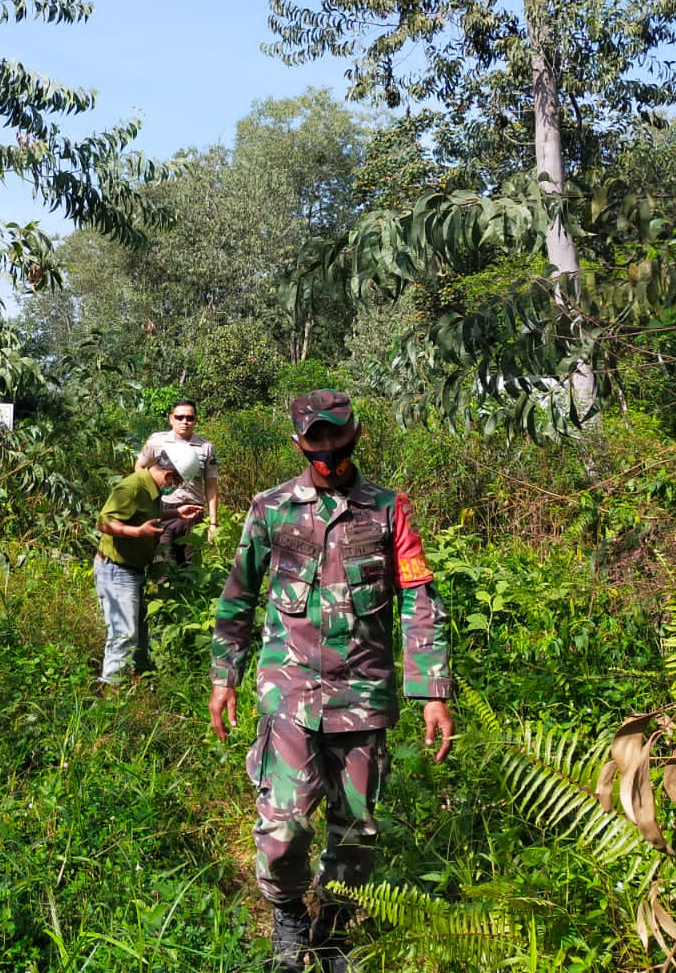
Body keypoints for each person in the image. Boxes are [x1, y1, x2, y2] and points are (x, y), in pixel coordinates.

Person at [207, 390, 455, 973]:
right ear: (299, 444)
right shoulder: (270, 509)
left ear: (356, 435)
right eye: (315, 440)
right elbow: (239, 595)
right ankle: (289, 916)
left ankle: (335, 927)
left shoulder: (390, 510)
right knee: (285, 821)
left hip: (363, 695)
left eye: (336, 437)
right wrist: (226, 676)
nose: (327, 451)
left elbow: (421, 601)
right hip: (288, 690)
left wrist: (433, 690)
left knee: (355, 827)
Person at [94, 451, 205, 686]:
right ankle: (110, 687)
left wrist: (176, 512)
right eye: (177, 481)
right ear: (168, 474)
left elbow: (145, 515)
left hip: (133, 570)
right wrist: (137, 532)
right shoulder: (131, 488)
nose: (175, 487)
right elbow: (103, 523)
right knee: (124, 632)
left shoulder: (151, 489)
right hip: (116, 569)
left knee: (140, 630)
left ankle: (139, 677)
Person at [135, 399, 219, 564]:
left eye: (189, 418)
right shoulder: (157, 441)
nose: (184, 422)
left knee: (191, 568)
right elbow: (139, 467)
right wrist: (150, 498)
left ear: (196, 420)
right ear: (171, 418)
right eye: (179, 417)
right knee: (163, 565)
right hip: (165, 509)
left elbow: (211, 485)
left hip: (194, 512)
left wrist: (213, 522)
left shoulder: (205, 447)